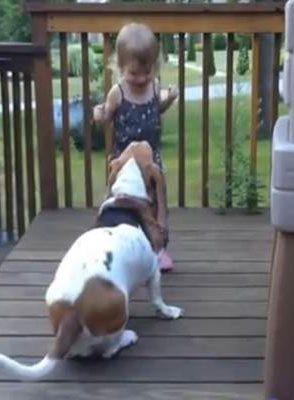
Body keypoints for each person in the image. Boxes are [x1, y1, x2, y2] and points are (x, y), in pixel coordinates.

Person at [93, 22, 179, 272]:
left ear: (155, 66)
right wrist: (99, 116)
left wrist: (168, 99)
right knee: (119, 201)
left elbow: (156, 108)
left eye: (147, 72)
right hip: (124, 162)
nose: (141, 79)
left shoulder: (154, 86)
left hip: (152, 158)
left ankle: (158, 248)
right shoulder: (117, 93)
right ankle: (115, 244)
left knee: (156, 203)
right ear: (120, 67)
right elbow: (106, 119)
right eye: (134, 74)